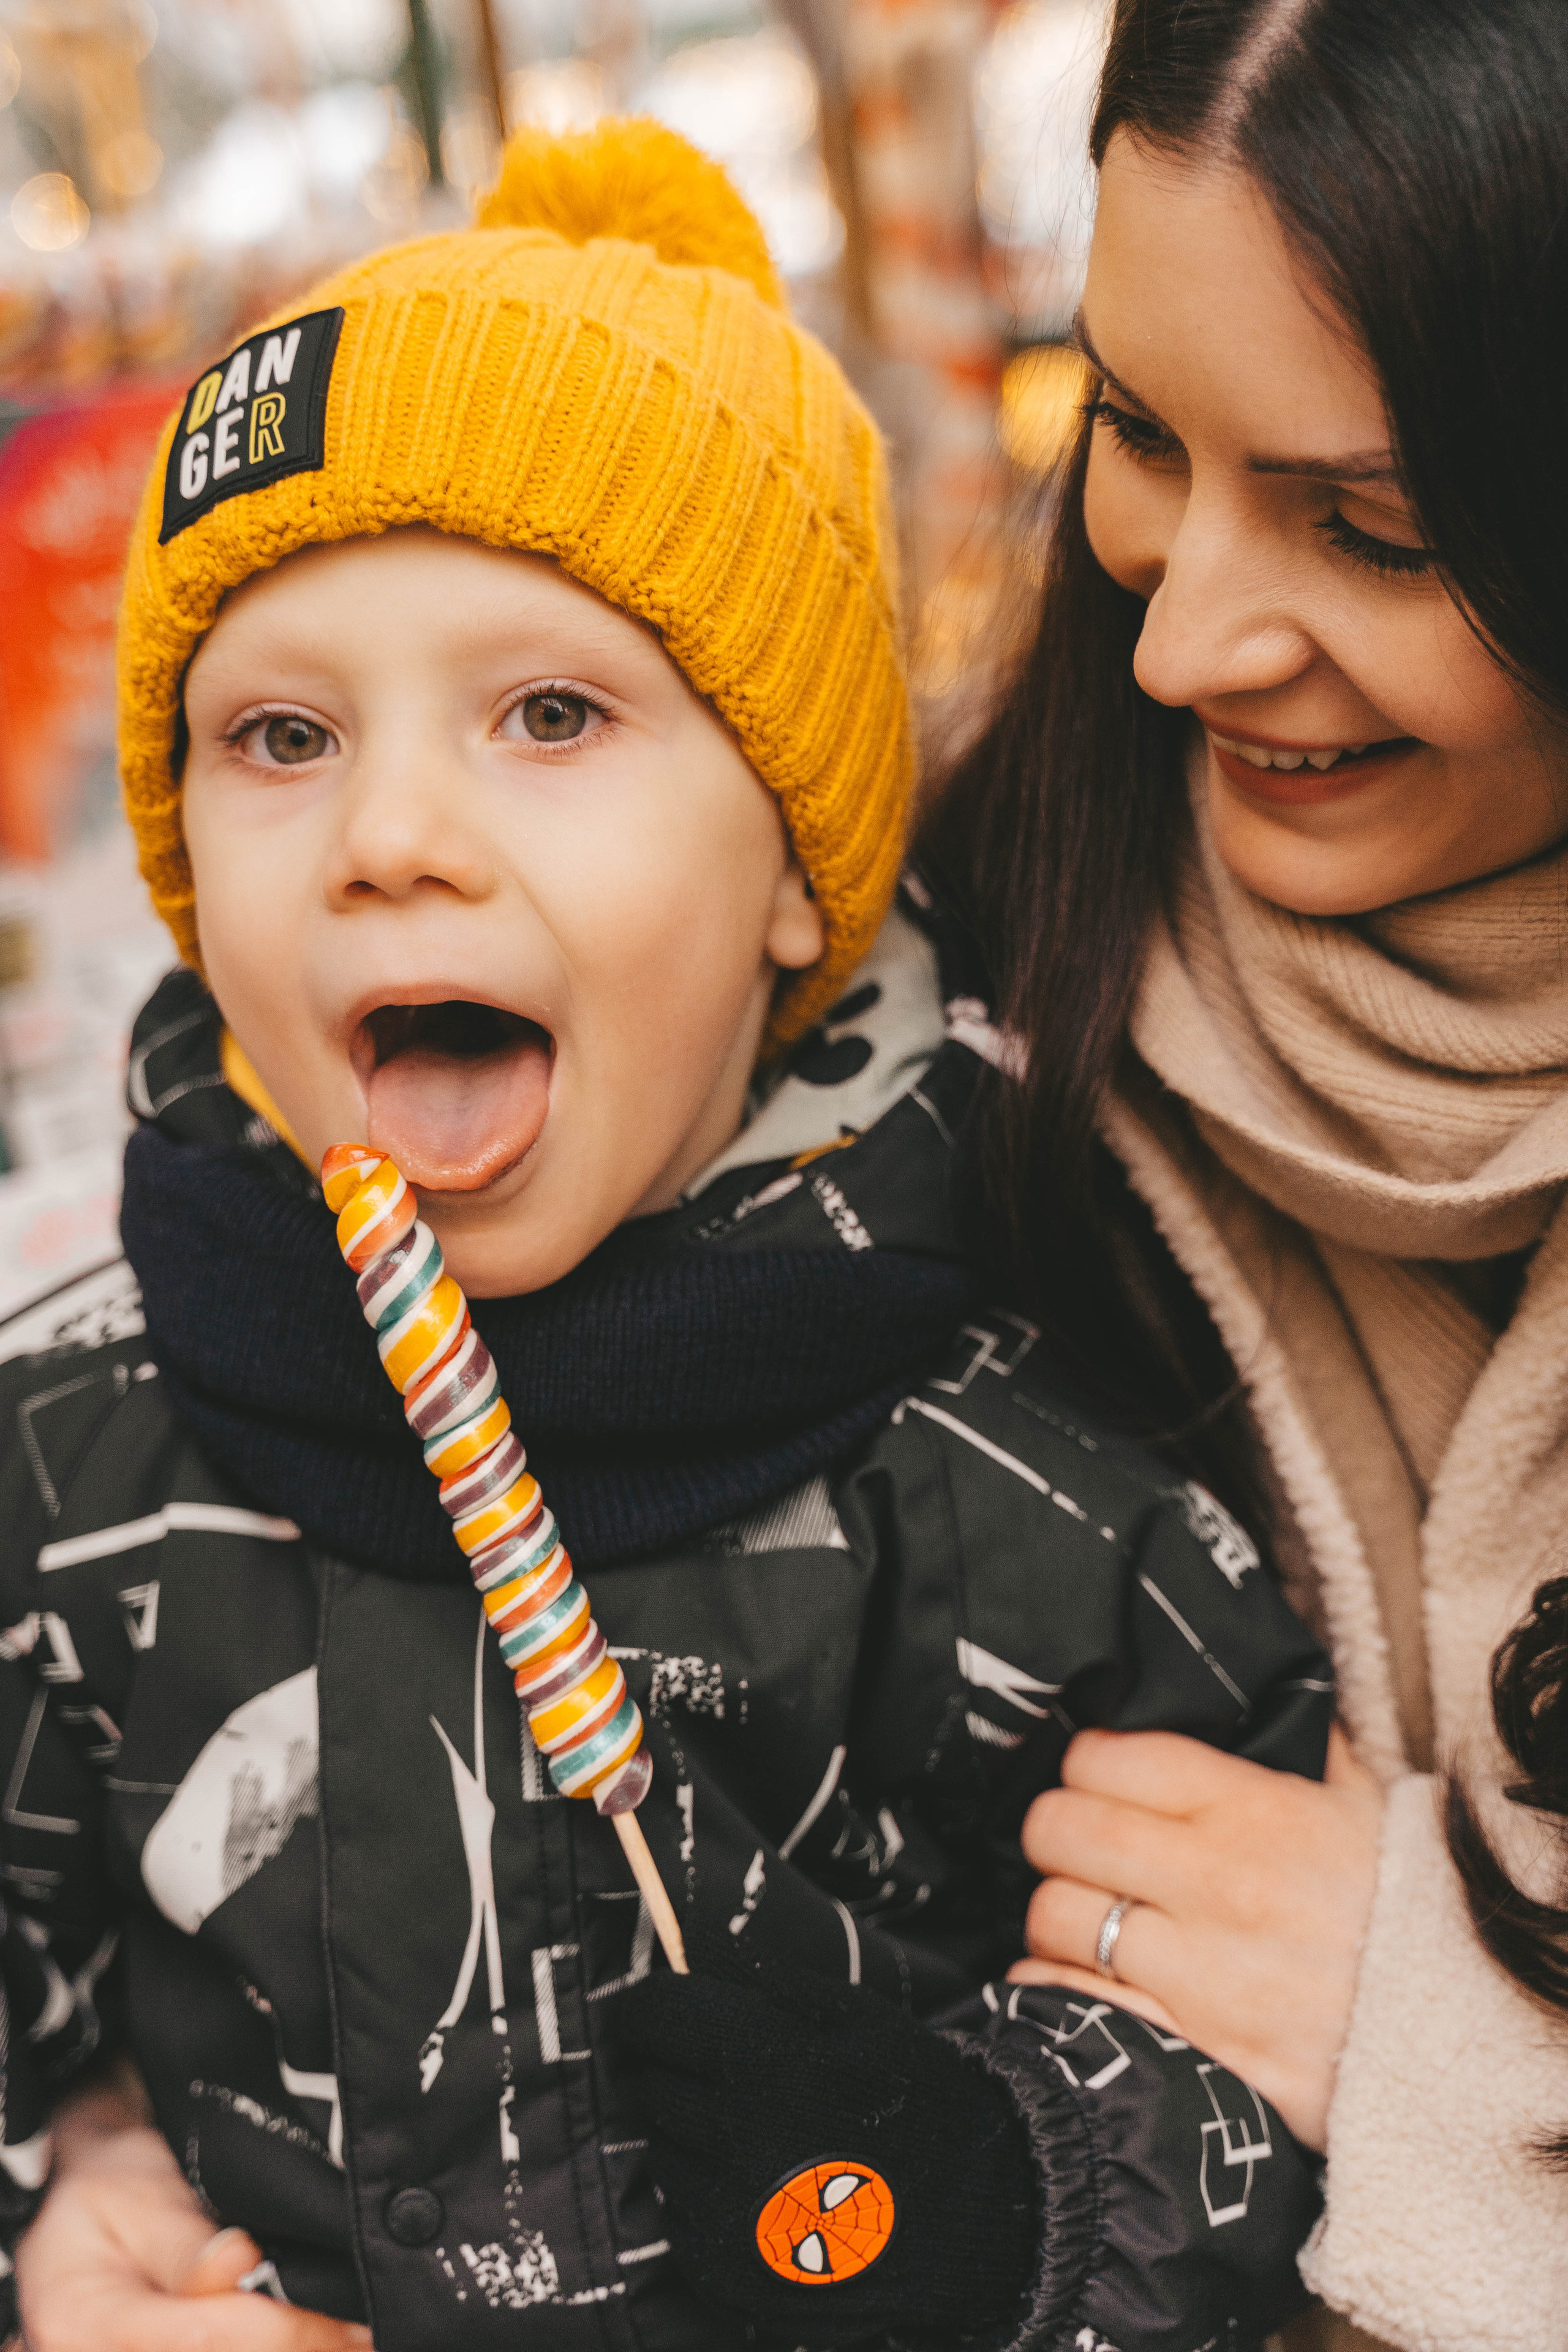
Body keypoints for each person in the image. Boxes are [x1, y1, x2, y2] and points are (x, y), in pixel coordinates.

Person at [0, 119, 1329, 2352]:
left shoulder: (1010, 1471)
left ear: (797, 866)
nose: (392, 834)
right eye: (282, 735)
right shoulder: (66, 1459)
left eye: (551, 714)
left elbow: (1262, 2031)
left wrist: (999, 2202)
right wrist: (55, 2236)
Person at [918, 2, 1568, 2346]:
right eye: (1133, 432)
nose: (1179, 639)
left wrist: (1444, 2049)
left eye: (1372, 526)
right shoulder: (943, 1030)